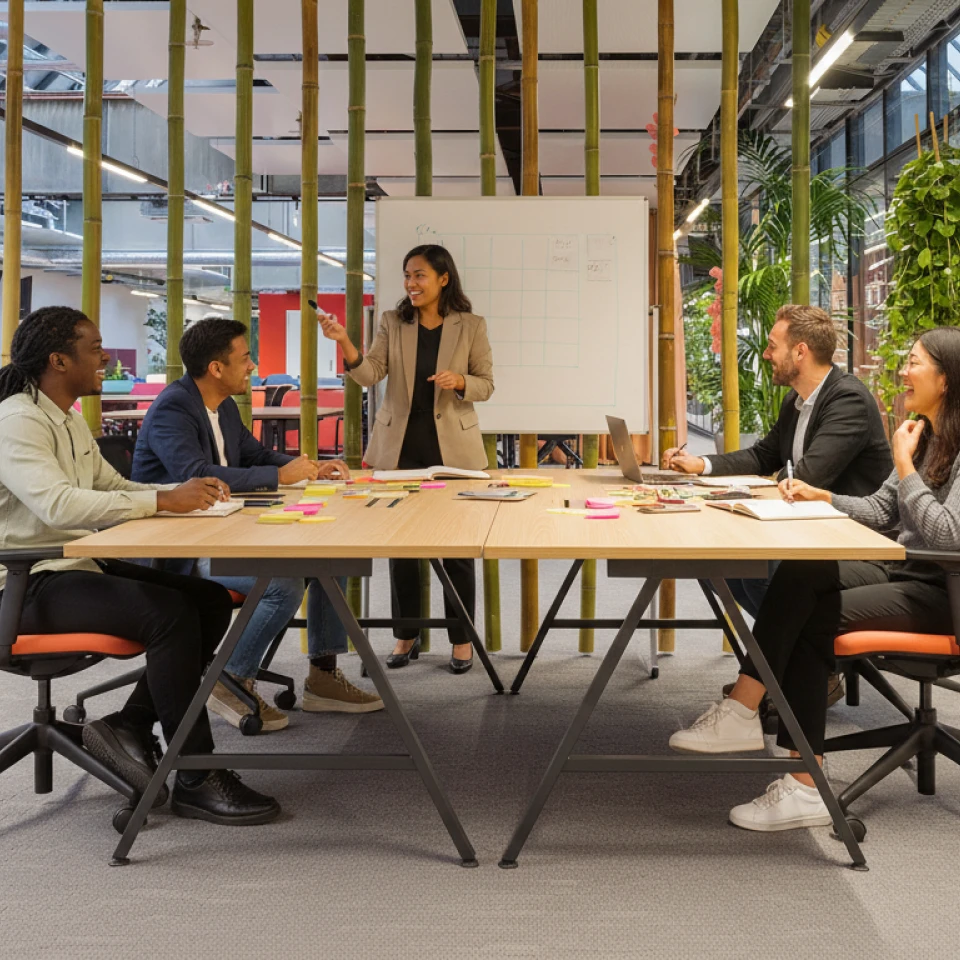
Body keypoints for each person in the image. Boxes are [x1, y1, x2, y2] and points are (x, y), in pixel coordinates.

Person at [669, 327, 960, 832]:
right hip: (909, 572)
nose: (903, 372)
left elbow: (949, 536)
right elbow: (881, 509)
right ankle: (751, 719)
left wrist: (904, 465)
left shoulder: (924, 446)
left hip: (945, 593)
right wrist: (824, 497)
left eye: (914, 362)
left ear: (947, 379)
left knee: (811, 615)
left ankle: (800, 779)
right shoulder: (925, 435)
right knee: (804, 571)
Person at [0, 306, 278, 824]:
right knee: (168, 614)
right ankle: (195, 775)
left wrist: (178, 494)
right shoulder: (19, 421)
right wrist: (161, 501)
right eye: (95, 349)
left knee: (207, 599)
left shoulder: (66, 417)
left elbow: (114, 487)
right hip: (24, 581)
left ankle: (130, 724)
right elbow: (57, 505)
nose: (106, 357)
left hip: (72, 565)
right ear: (58, 360)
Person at [132, 316, 383, 729]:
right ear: (216, 368)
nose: (253, 366)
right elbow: (196, 475)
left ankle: (323, 678)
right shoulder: (172, 409)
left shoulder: (224, 405)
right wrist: (278, 477)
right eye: (245, 357)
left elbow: (255, 455)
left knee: (330, 557)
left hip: (228, 529)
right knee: (281, 584)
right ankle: (228, 679)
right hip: (182, 546)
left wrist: (306, 469)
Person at [321, 244, 495, 674]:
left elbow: (486, 384)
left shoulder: (471, 325)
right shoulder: (392, 322)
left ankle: (461, 639)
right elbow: (370, 374)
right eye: (407, 275)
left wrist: (460, 382)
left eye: (419, 275)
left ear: (443, 279)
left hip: (454, 451)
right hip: (399, 449)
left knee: (457, 550)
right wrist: (344, 342)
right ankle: (406, 635)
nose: (411, 283)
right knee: (401, 549)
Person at [663, 304, 892, 617]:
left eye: (773, 346)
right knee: (713, 564)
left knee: (760, 570)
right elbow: (762, 456)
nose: (766, 354)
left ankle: (799, 644)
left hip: (853, 540)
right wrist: (700, 464)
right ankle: (793, 643)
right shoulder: (795, 400)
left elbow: (808, 478)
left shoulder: (848, 400)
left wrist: (753, 491)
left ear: (800, 352)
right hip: (810, 528)